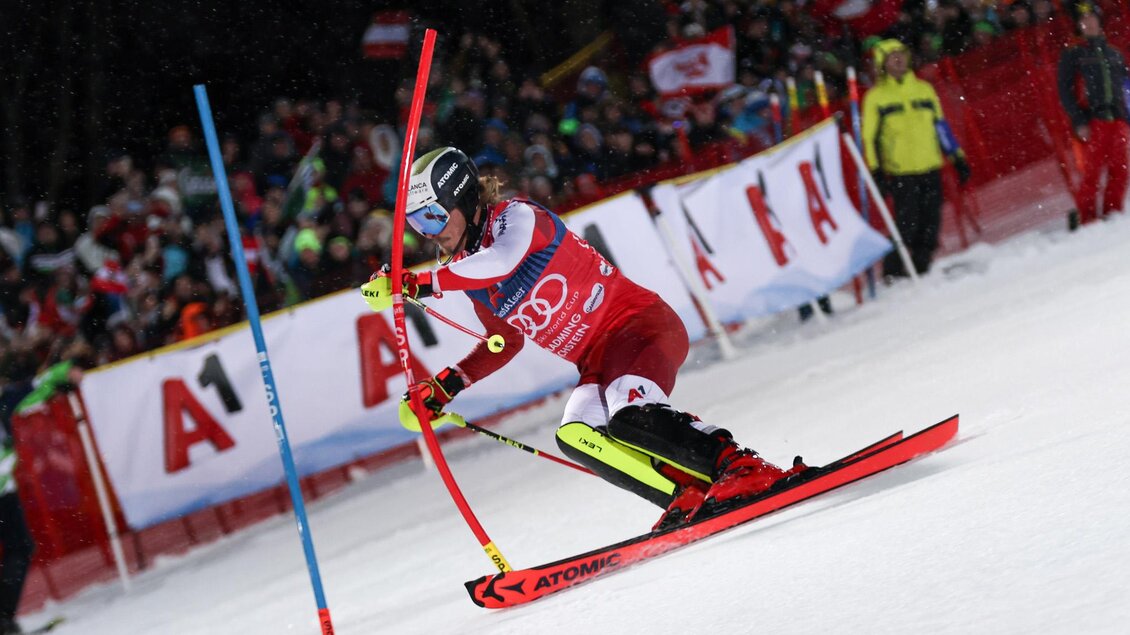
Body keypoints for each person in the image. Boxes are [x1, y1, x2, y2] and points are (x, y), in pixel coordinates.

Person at [361, 147, 806, 531]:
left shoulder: (516, 218)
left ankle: (740, 465)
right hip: (598, 360)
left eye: (434, 215)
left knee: (628, 413)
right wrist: (444, 387)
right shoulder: (471, 276)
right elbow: (504, 342)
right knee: (577, 434)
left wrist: (415, 284)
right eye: (419, 223)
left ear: (464, 198)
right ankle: (684, 495)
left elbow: (501, 261)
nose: (430, 231)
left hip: (640, 326)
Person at [862, 39, 970, 278]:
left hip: (930, 164)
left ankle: (922, 265)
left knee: (931, 220)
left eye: (901, 53)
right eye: (892, 56)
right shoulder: (876, 97)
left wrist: (957, 157)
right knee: (907, 222)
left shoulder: (924, 89)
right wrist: (876, 171)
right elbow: (869, 139)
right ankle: (893, 270)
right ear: (882, 64)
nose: (898, 59)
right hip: (902, 170)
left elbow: (940, 126)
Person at [1057, 1, 1129, 229]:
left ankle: (1112, 213)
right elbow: (1065, 90)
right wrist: (1079, 119)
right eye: (1083, 20)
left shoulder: (1114, 53)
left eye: (1091, 18)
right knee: (1092, 172)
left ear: (1099, 21)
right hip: (1093, 120)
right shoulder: (1074, 54)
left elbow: (1125, 86)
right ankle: (1087, 219)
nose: (1087, 23)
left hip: (1117, 120)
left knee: (1120, 170)